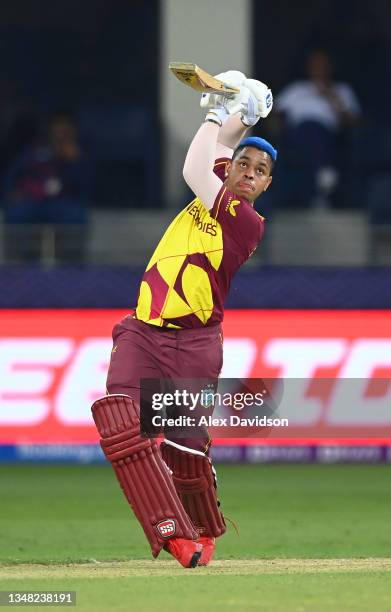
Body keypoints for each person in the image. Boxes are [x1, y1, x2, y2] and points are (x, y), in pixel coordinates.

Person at [91, 71, 276, 568]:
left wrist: (219, 108)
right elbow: (213, 152)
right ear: (232, 168)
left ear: (266, 185)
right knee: (119, 422)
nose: (249, 172)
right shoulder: (217, 191)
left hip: (195, 345)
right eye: (243, 163)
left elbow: (196, 166)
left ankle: (204, 527)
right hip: (142, 332)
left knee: (185, 449)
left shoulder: (243, 219)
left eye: (260, 170)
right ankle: (172, 533)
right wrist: (246, 111)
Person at [275, 49, 361, 207]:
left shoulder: (341, 90)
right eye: (316, 65)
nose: (320, 69)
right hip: (297, 134)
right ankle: (323, 175)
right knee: (308, 129)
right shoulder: (297, 89)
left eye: (323, 65)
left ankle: (319, 182)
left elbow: (353, 121)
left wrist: (331, 96)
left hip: (329, 135)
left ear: (330, 68)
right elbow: (276, 112)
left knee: (315, 131)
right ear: (309, 68)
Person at [2, 111, 90, 263]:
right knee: (17, 213)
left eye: (64, 132)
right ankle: (23, 262)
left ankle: (68, 263)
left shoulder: (76, 154)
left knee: (75, 215)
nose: (60, 135)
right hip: (32, 199)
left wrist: (75, 162)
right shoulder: (35, 150)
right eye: (57, 131)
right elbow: (12, 175)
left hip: (61, 201)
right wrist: (13, 192)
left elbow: (85, 186)